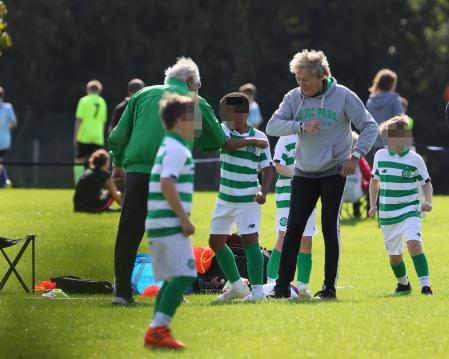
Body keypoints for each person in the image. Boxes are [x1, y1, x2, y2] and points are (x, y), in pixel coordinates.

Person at [109, 57, 268, 305]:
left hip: (138, 171)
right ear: (191, 82)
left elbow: (118, 135)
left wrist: (118, 163)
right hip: (172, 173)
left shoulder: (141, 95)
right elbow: (215, 139)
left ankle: (121, 294)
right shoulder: (195, 101)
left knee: (129, 231)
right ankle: (174, 292)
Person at [266, 49, 378, 299]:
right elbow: (272, 126)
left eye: (305, 79)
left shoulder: (344, 96)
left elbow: (370, 126)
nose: (301, 84)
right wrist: (299, 126)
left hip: (333, 172)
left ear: (321, 76)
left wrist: (356, 156)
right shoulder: (294, 97)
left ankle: (329, 287)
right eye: (297, 79)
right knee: (293, 228)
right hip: (304, 172)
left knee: (329, 227)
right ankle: (281, 287)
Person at [144, 94, 197, 350]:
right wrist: (184, 220)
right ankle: (157, 328)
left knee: (170, 279)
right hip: (169, 224)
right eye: (191, 117)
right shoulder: (177, 149)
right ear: (179, 120)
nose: (195, 122)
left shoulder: (168, 144)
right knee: (185, 274)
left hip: (158, 223)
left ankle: (157, 329)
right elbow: (167, 183)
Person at [208, 92, 273, 303]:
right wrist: (251, 141)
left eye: (227, 110)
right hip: (225, 198)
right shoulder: (223, 130)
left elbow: (268, 168)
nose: (223, 115)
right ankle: (237, 286)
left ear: (243, 112)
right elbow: (226, 144)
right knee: (215, 242)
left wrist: (263, 191)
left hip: (248, 199)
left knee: (250, 241)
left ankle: (257, 293)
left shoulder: (262, 137)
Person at [368, 116, 433, 295]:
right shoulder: (380, 155)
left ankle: (425, 285)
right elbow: (374, 182)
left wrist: (428, 201)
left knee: (413, 243)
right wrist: (373, 205)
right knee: (395, 257)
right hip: (388, 215)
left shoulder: (415, 159)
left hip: (410, 210)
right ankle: (403, 284)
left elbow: (426, 183)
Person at [266, 134, 317, 299]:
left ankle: (303, 287)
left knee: (306, 241)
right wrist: (299, 175)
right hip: (286, 196)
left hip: (309, 195)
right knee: (283, 238)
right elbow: (278, 165)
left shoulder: (314, 137)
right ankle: (271, 283)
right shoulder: (285, 139)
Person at [73, 80, 108, 184]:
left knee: (79, 161)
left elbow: (79, 120)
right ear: (99, 90)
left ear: (88, 89)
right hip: (98, 137)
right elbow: (103, 122)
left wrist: (75, 137)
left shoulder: (83, 101)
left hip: (84, 136)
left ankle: (79, 183)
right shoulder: (102, 102)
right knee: (97, 163)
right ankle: (96, 184)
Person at [366, 69, 403, 162]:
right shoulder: (395, 100)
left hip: (372, 147)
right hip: (392, 149)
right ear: (392, 84)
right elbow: (401, 123)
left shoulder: (370, 101)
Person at [0, 86, 17, 188]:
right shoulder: (8, 107)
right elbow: (14, 123)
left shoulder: (7, 107)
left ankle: (5, 181)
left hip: (3, 141)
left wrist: (5, 127)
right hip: (6, 140)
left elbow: (14, 123)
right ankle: (5, 181)